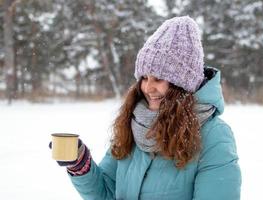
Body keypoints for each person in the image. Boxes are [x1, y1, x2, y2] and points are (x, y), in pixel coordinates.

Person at [52, 16, 241, 200]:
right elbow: (107, 192)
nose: (148, 88)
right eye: (144, 78)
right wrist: (81, 165)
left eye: (158, 79)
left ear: (181, 84)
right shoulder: (133, 124)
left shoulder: (214, 136)